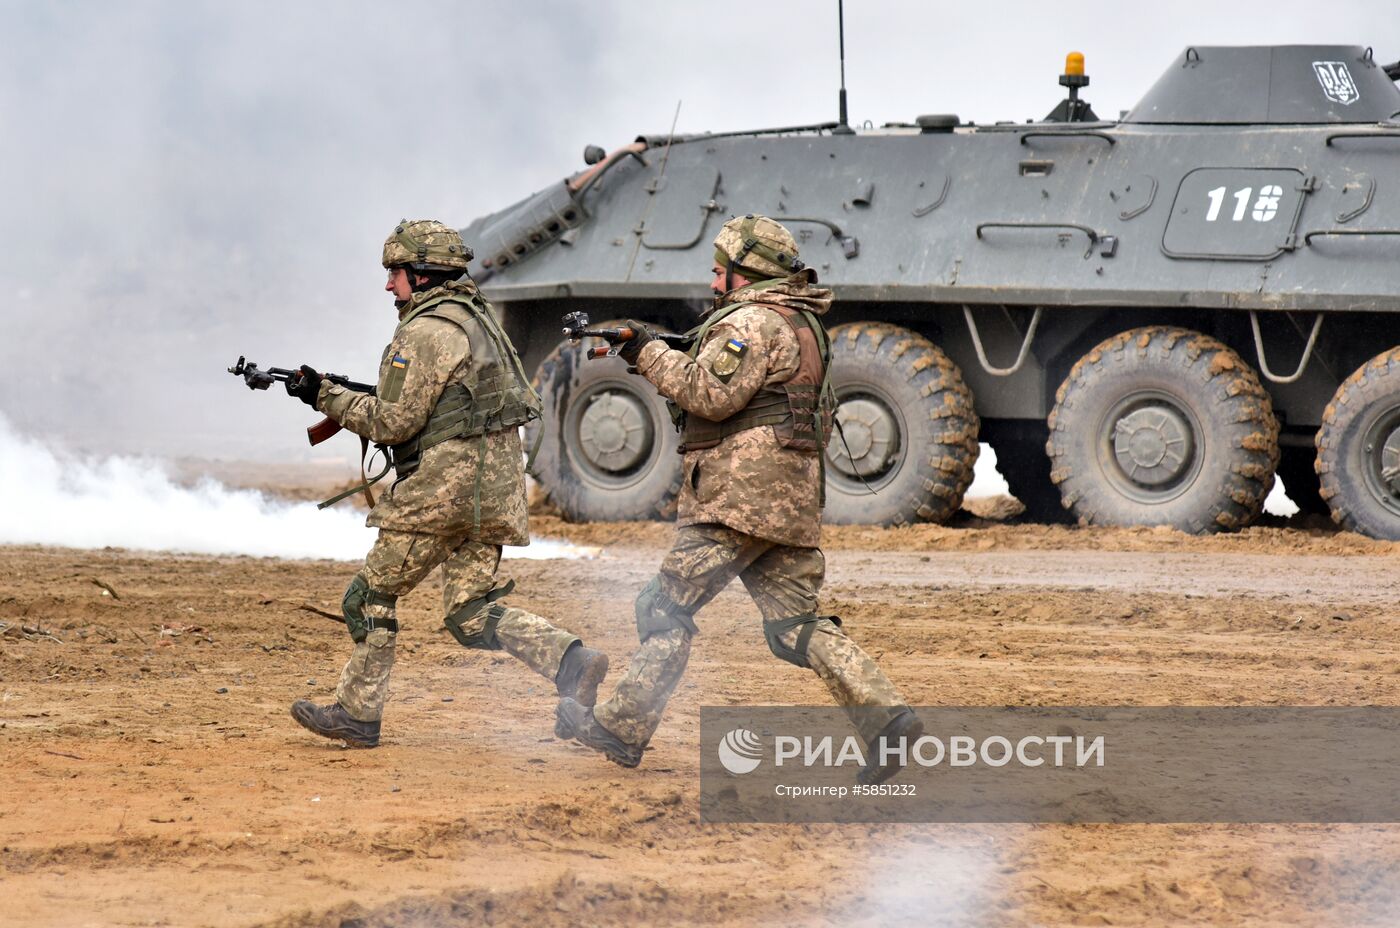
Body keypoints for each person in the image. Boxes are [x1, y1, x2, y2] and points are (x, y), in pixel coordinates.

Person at [555, 214, 921, 784]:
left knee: (663, 604)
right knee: (796, 625)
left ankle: (621, 725)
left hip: (739, 499)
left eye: (718, 271)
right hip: (788, 500)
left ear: (743, 273)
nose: (711, 284)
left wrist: (647, 352)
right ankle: (888, 720)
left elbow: (710, 392)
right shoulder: (795, 321)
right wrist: (643, 349)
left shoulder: (751, 320)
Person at [287, 219, 607, 748]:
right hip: (496, 493)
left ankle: (357, 713)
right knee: (470, 613)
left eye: (395, 273)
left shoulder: (422, 331)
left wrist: (323, 395)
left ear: (423, 274)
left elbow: (393, 421)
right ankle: (571, 662)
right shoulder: (478, 320)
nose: (389, 285)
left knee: (369, 597)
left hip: (444, 493)